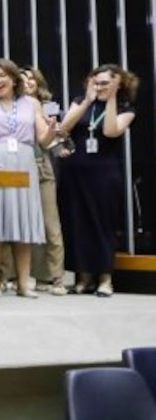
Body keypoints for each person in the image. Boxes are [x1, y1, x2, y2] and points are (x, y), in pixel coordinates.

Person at [0, 58, 57, 298]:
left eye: (1, 76)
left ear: (14, 77)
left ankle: (22, 284)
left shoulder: (31, 104)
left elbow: (44, 140)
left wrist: (52, 129)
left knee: (24, 224)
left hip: (24, 162)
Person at [57, 64, 139, 297]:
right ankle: (83, 278)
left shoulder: (126, 107)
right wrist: (86, 101)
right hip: (75, 172)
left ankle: (105, 279)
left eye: (105, 83)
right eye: (96, 82)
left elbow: (111, 131)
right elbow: (63, 129)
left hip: (104, 173)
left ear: (118, 83)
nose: (100, 87)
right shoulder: (80, 101)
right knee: (77, 223)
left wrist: (110, 99)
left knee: (101, 223)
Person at [1, 65, 65, 295]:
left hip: (41, 164)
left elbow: (54, 139)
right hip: (15, 165)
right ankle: (8, 275)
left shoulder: (44, 106)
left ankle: (53, 277)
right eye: (22, 79)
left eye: (31, 80)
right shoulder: (7, 106)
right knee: (13, 222)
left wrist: (56, 136)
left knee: (50, 224)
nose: (26, 83)